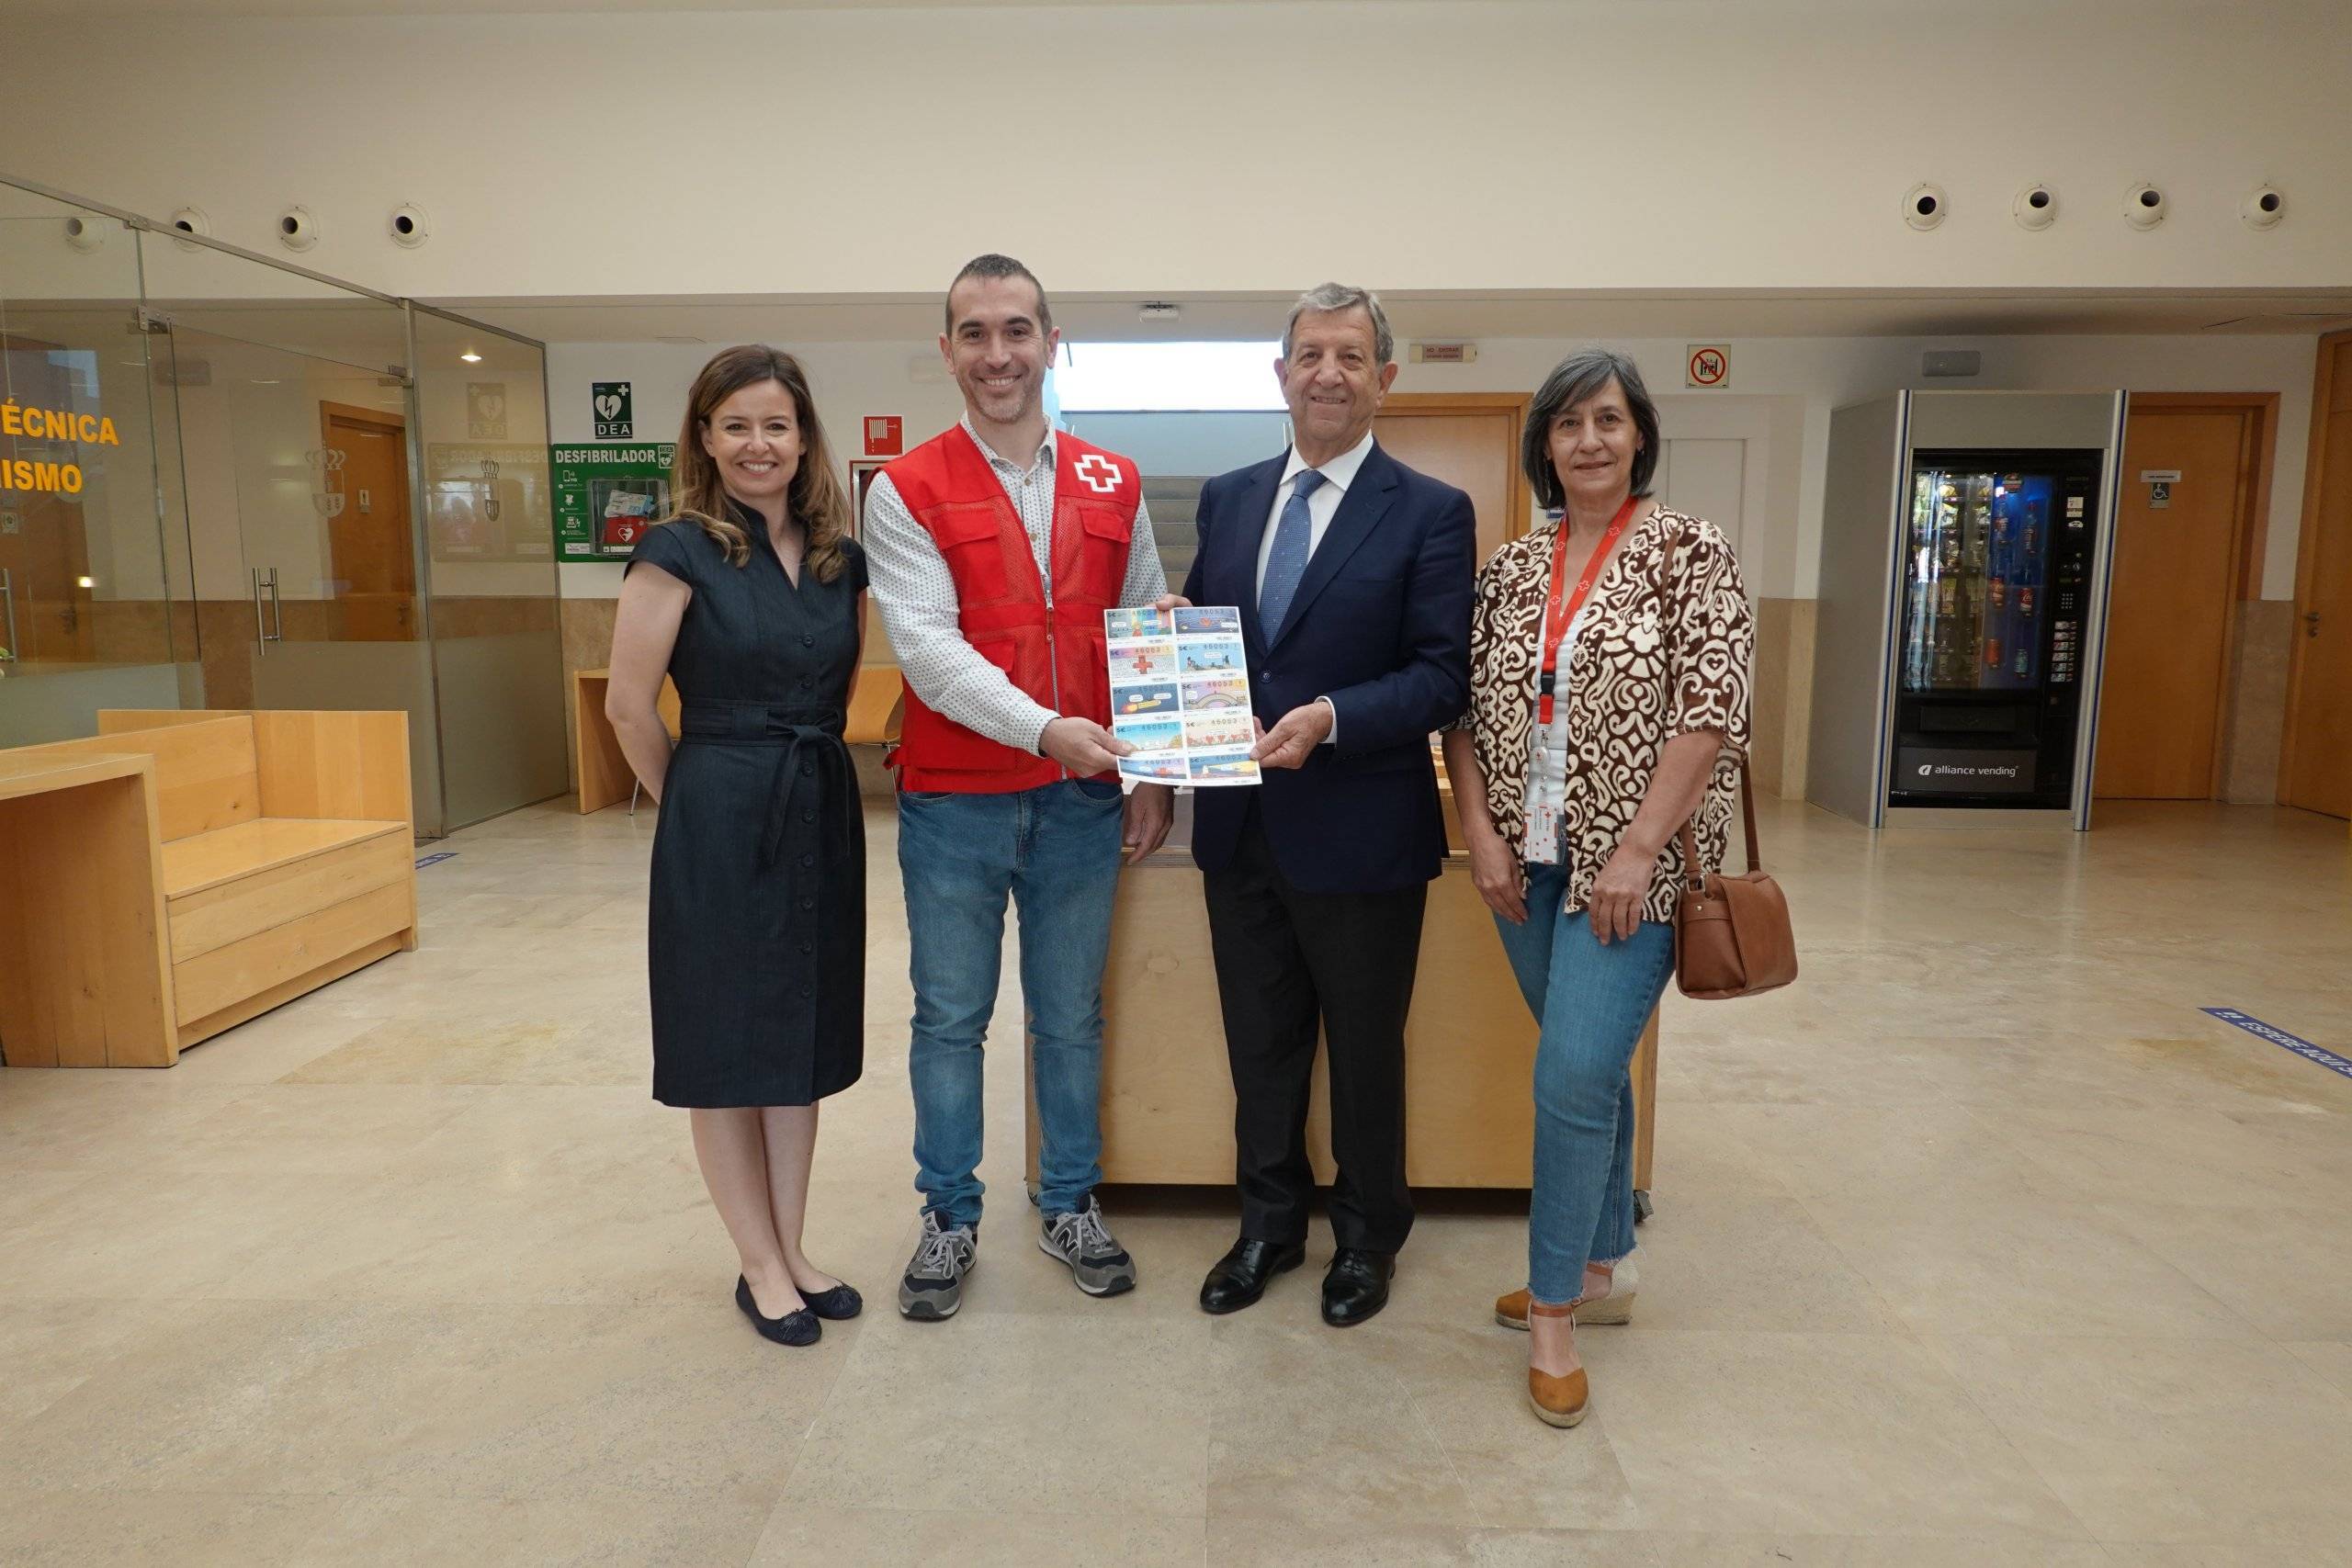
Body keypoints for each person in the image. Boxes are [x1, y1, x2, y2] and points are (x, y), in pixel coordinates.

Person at [1439, 347, 1753, 1426]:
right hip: (1525, 856)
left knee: (1571, 1076)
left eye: (1608, 420)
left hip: (1638, 873)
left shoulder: (1689, 551)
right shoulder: (1511, 569)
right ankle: (1604, 1250)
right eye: (1568, 424)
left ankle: (1558, 1313)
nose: (1588, 440)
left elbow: (1711, 711)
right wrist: (1476, 830)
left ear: (1639, 435)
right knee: (1590, 1065)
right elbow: (1468, 712)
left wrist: (1633, 852)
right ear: (1544, 446)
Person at [864, 254, 1173, 1321]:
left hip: (1083, 801)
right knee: (950, 1019)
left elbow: (1143, 627)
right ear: (947, 350)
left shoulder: (1111, 480)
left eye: (1017, 331)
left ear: (1051, 342)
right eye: (975, 333)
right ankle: (948, 1218)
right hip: (956, 800)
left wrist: (1149, 767)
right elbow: (928, 650)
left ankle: (1067, 1203)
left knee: (1070, 1017)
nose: (998, 354)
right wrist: (1048, 730)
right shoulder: (903, 490)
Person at [1171, 283, 1474, 1327]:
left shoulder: (1432, 512)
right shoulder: (1228, 496)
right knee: (1259, 1045)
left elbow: (1441, 678)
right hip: (1240, 826)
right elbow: (1220, 636)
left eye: (1350, 356)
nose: (1328, 373)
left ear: (1384, 378)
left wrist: (1330, 716)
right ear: (1281, 374)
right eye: (1310, 354)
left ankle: (1364, 1240)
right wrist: (1177, 630)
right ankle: (1267, 1228)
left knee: (1363, 1050)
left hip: (1362, 831)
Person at [606, 344, 869, 1348]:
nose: (758, 445)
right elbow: (631, 707)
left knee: (795, 1037)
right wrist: (695, 806)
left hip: (815, 799)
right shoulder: (674, 549)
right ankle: (756, 1264)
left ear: (804, 438)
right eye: (736, 426)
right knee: (724, 1041)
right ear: (705, 439)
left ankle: (794, 1247)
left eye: (776, 425)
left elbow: (841, 688)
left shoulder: (841, 556)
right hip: (718, 805)